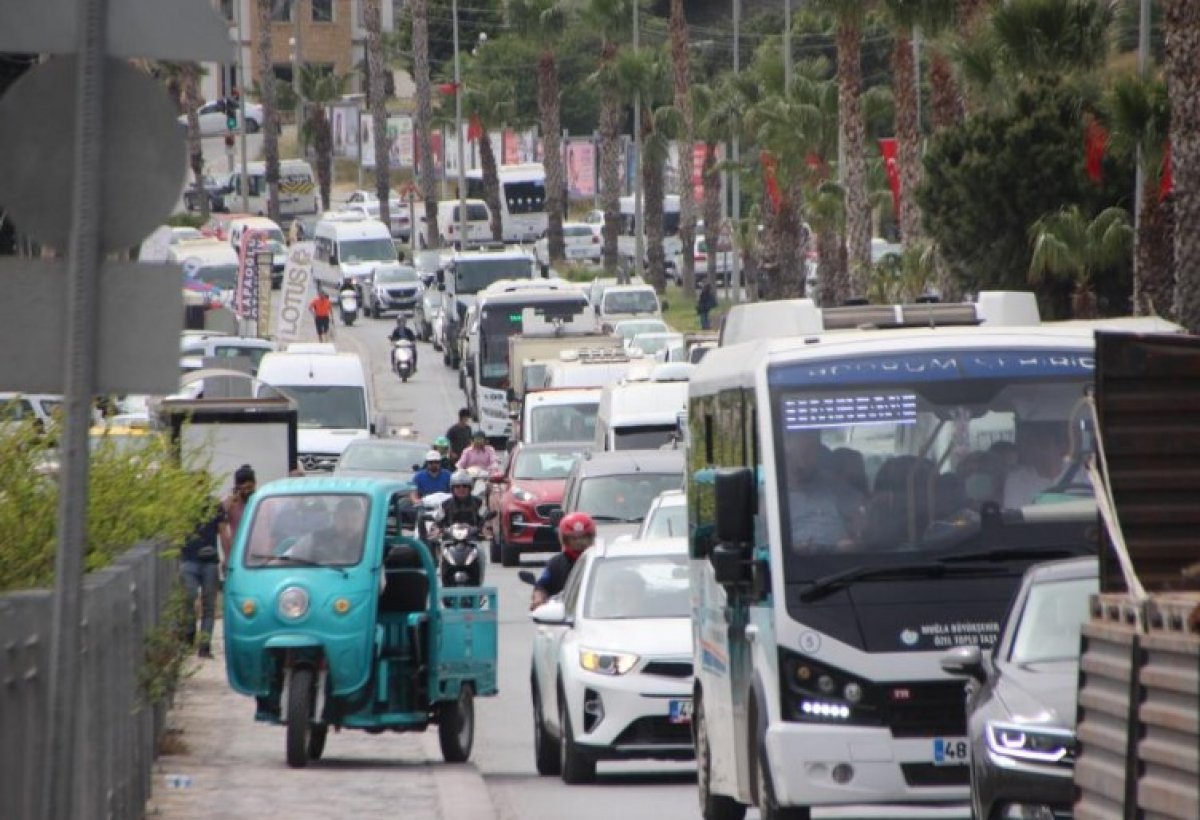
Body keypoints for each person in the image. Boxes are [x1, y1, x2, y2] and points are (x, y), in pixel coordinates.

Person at [785, 430, 864, 552]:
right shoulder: (770, 496)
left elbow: (862, 512)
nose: (801, 464)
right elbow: (765, 549)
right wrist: (791, 550)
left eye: (808, 455)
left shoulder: (833, 486)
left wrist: (856, 535)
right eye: (798, 455)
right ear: (786, 454)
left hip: (839, 558)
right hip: (792, 560)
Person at [181, 496, 225, 658]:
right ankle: (194, 639)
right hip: (195, 561)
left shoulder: (212, 505)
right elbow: (223, 533)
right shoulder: (184, 504)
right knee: (195, 601)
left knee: (203, 604)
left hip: (203, 561)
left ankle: (201, 644)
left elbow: (223, 532)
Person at [530, 512, 596, 609]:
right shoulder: (555, 564)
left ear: (592, 538)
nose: (579, 543)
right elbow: (541, 586)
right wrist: (538, 599)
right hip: (563, 612)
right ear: (564, 539)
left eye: (584, 538)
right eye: (573, 539)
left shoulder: (599, 563)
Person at [287, 497, 366, 565]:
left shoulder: (368, 543)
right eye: (343, 518)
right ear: (335, 518)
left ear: (362, 520)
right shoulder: (313, 539)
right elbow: (289, 561)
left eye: (355, 520)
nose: (349, 524)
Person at [218, 464, 256, 566]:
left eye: (249, 488)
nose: (247, 492)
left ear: (254, 484)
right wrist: (232, 499)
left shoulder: (258, 501)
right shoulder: (232, 504)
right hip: (238, 551)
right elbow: (219, 515)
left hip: (258, 551)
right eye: (243, 489)